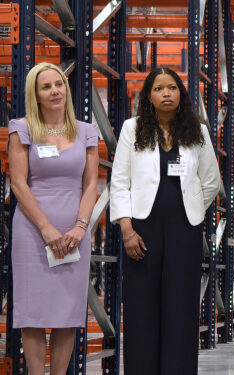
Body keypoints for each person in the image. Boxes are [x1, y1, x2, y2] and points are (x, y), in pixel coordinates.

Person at [109, 66, 221, 374]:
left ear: (180, 93)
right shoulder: (132, 129)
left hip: (185, 229)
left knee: (181, 306)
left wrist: (193, 210)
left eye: (171, 87)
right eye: (158, 88)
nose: (166, 93)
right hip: (142, 230)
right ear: (148, 95)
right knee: (141, 306)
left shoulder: (197, 129)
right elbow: (119, 182)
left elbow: (211, 180)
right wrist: (127, 230)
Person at [8, 62, 99, 375]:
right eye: (46, 87)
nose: (55, 91)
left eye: (58, 84)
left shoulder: (86, 131)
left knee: (67, 312)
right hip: (32, 233)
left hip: (75, 234)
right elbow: (18, 182)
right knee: (32, 312)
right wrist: (47, 229)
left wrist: (80, 226)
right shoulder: (22, 129)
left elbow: (91, 184)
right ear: (35, 94)